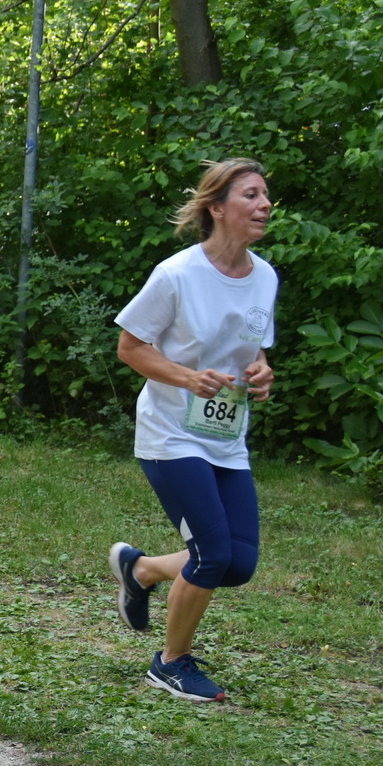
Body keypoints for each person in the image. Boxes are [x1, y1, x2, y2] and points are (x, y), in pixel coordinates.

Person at [108, 159, 277, 703]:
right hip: (170, 434)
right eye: (250, 195)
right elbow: (130, 347)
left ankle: (143, 570)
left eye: (266, 196)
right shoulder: (177, 274)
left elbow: (255, 345)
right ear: (217, 208)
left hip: (225, 437)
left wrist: (262, 371)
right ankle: (170, 662)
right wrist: (186, 376)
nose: (263, 204)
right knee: (210, 552)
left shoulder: (265, 276)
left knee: (239, 561)